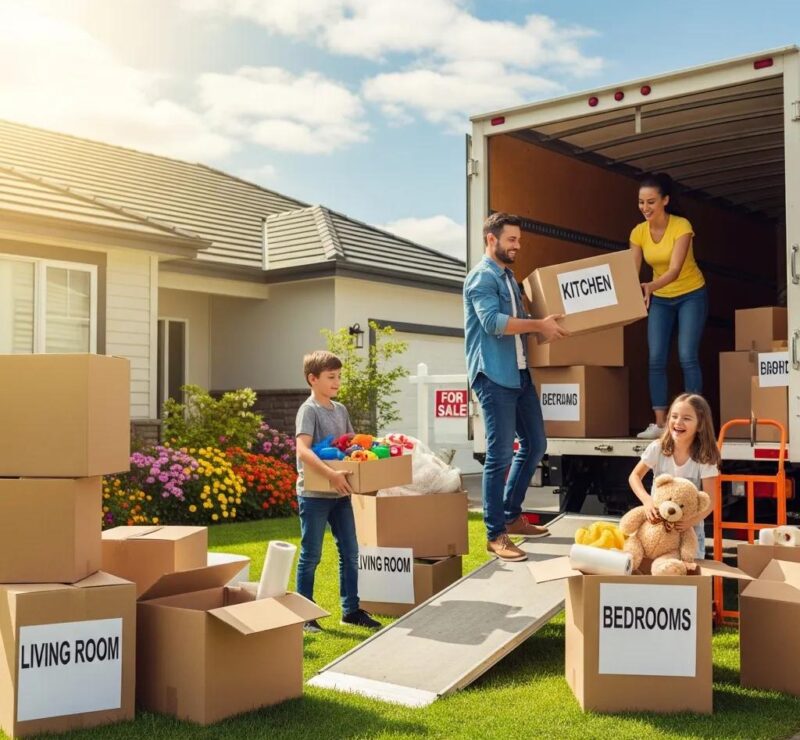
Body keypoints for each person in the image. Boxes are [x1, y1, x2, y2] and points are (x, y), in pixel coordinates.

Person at [464, 212, 569, 562]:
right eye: (511, 240)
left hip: (519, 373)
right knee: (499, 455)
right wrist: (539, 324)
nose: (517, 246)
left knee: (536, 444)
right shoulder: (482, 277)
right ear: (491, 239)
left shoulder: (508, 277)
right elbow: (492, 323)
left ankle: (511, 515)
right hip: (494, 375)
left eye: (519, 240)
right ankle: (495, 534)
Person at [294, 350, 380, 632]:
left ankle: (351, 610)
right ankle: (305, 616)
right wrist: (330, 474)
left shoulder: (340, 410)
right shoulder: (309, 410)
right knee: (311, 555)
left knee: (351, 552)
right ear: (313, 379)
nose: (337, 382)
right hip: (314, 495)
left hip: (341, 493)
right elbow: (302, 450)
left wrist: (370, 455)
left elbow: (350, 445)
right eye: (331, 377)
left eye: (339, 376)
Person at [630, 173, 708, 440]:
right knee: (656, 358)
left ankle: (695, 421)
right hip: (661, 299)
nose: (645, 207)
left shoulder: (682, 226)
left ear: (665, 200)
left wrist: (649, 287)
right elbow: (631, 271)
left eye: (651, 202)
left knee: (687, 355)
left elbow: (674, 270)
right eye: (641, 202)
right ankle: (660, 424)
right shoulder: (638, 232)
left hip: (691, 295)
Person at [628, 393, 720, 560]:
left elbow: (711, 500)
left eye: (686, 418)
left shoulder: (705, 458)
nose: (678, 422)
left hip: (689, 533)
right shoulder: (657, 448)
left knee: (687, 571)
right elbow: (634, 476)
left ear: (700, 424)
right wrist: (647, 501)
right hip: (656, 529)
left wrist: (691, 522)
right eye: (674, 416)